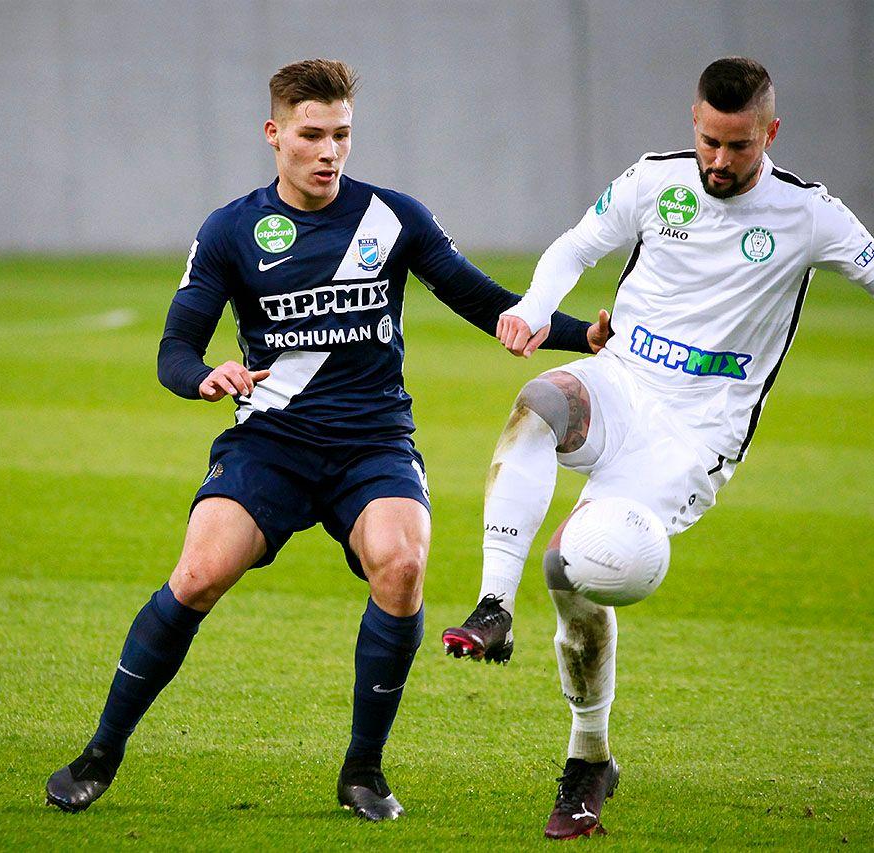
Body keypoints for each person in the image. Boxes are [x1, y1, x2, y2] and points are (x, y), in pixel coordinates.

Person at [43, 59, 608, 822]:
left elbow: (483, 300)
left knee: (402, 566)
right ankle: (100, 753)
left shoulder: (393, 217)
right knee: (199, 573)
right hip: (270, 443)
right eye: (311, 135)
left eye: (342, 134)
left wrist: (582, 334)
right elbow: (174, 348)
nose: (329, 151)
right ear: (274, 135)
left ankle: (362, 770)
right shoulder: (231, 229)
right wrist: (205, 376)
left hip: (373, 443)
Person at [441, 56, 874, 839]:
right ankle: (493, 607)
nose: (720, 160)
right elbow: (576, 246)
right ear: (694, 122)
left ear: (771, 133)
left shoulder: (808, 213)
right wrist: (536, 307)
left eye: (739, 146)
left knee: (569, 571)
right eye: (710, 141)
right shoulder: (655, 181)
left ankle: (589, 757)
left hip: (695, 432)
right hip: (622, 382)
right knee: (540, 402)